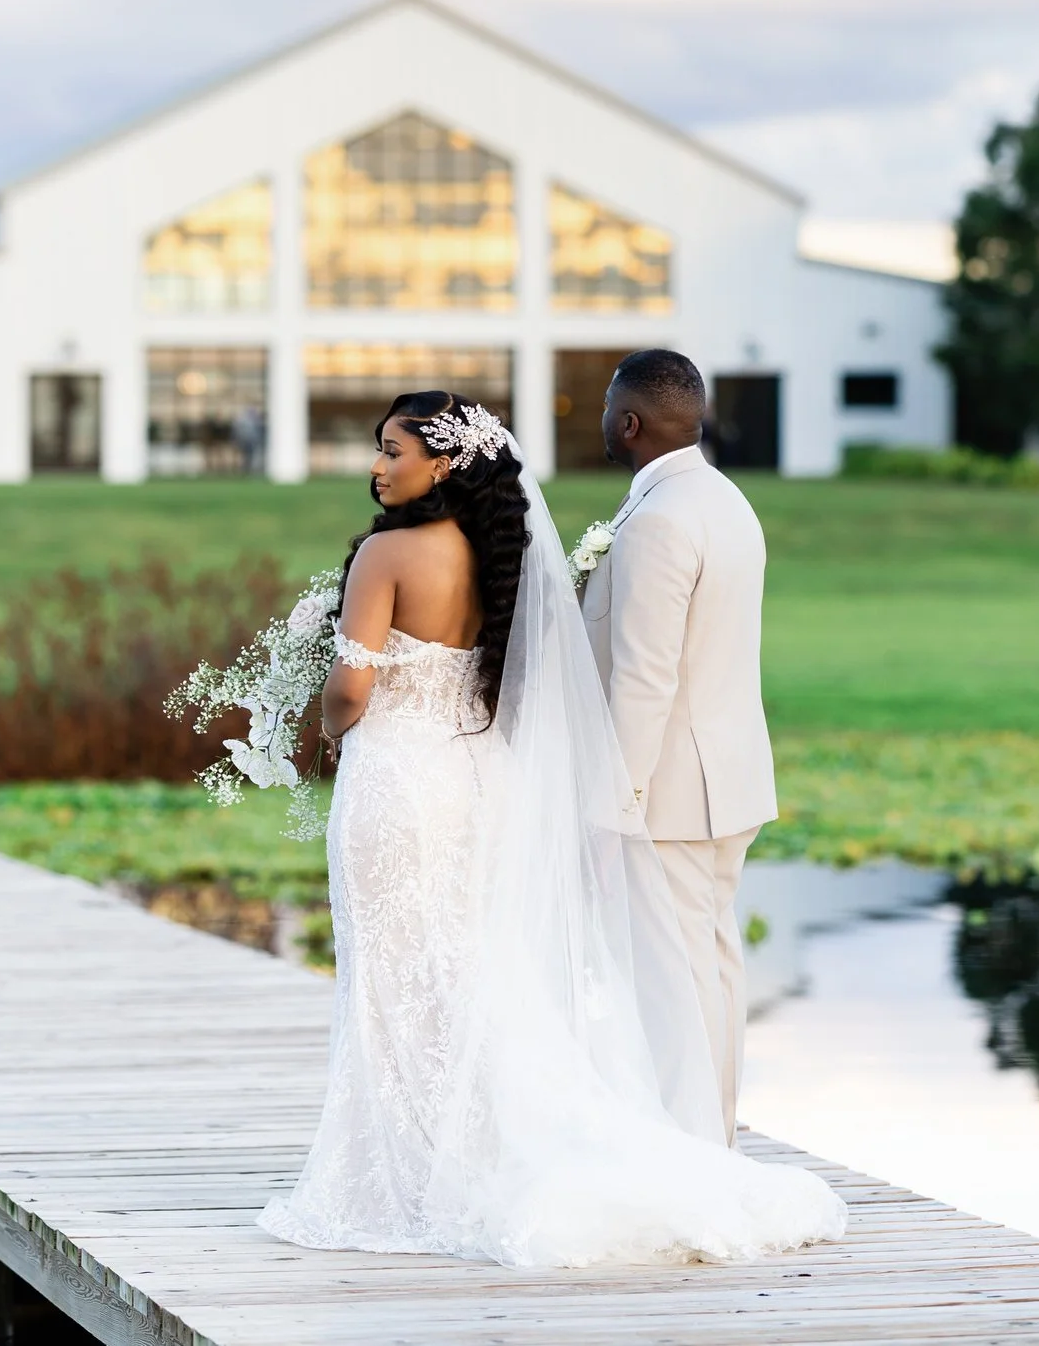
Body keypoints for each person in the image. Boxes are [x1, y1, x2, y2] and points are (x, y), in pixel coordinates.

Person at [257, 390, 844, 1267]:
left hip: (398, 783)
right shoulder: (496, 557)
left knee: (395, 978)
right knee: (469, 968)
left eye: (391, 449)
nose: (377, 467)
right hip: (472, 783)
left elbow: (351, 690)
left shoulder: (387, 553)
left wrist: (319, 720)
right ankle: (475, 1153)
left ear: (444, 462)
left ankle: (407, 1178)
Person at [583, 349, 774, 1145]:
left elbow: (644, 679)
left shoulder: (659, 520)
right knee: (713, 962)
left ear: (629, 421)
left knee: (683, 972)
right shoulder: (722, 497)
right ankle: (713, 1136)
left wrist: (609, 797)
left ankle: (696, 1147)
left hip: (673, 790)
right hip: (723, 777)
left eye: (604, 403)